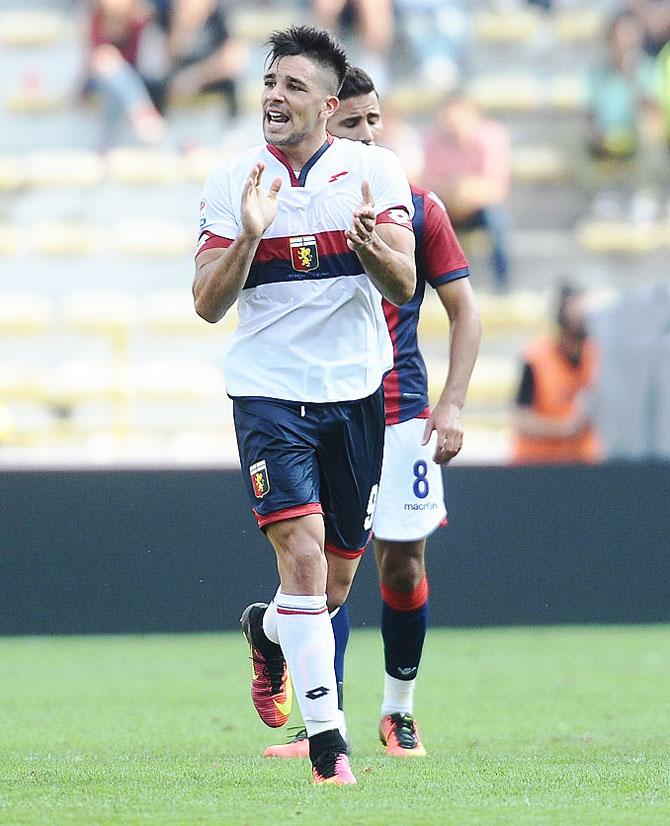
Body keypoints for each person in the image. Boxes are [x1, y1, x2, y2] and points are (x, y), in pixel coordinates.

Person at [193, 28, 416, 785]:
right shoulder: (233, 181)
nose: (274, 96)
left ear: (327, 103)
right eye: (269, 82)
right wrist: (249, 238)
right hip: (268, 394)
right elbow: (205, 304)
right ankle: (330, 747)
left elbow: (404, 285)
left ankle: (268, 631)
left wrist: (373, 246)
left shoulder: (375, 171)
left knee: (332, 588)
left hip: (354, 391)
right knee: (304, 554)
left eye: (292, 85)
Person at [262, 67, 481, 760]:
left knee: (402, 567)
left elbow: (464, 311)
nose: (368, 134)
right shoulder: (299, 206)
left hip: (401, 414)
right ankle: (326, 720)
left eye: (374, 120)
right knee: (326, 576)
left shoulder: (419, 208)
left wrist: (451, 402)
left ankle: (400, 710)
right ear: (327, 128)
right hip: (326, 406)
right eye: (352, 124)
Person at [421, 94, 512, 291]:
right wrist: (457, 191)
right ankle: (424, 286)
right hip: (448, 204)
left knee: (497, 219)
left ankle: (503, 285)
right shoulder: (433, 140)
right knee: (421, 219)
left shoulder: (491, 137)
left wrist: (463, 191)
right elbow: (428, 184)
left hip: (479, 206)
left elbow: (496, 187)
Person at [511, 284, 601, 465]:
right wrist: (564, 429)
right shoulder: (536, 358)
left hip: (582, 463)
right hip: (538, 465)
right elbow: (520, 420)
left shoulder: (596, 356)